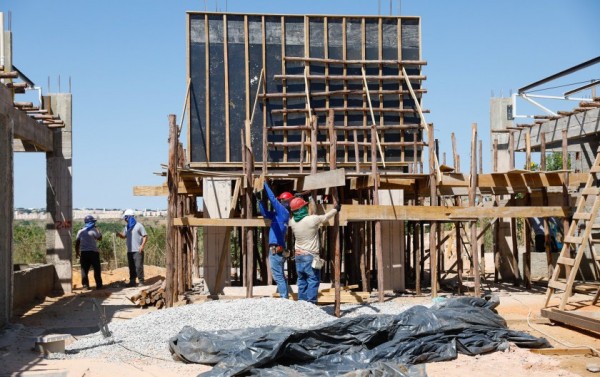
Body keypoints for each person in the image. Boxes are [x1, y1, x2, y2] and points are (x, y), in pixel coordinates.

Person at [288, 196, 340, 304]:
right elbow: (325, 217)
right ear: (302, 209)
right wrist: (336, 209)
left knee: (302, 281)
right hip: (310, 256)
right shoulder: (312, 220)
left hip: (298, 256)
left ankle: (302, 303)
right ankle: (311, 304)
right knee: (313, 280)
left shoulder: (292, 222)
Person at [257, 182, 293, 299]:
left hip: (276, 250)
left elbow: (272, 199)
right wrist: (260, 201)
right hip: (277, 250)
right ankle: (284, 296)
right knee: (280, 275)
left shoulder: (283, 212)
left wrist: (264, 184)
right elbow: (265, 214)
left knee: (278, 276)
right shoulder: (279, 215)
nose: (280, 202)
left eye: (281, 201)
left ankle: (284, 298)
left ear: (285, 202)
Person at [116, 209, 148, 287]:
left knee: (138, 266)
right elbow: (124, 236)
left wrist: (142, 246)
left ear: (129, 217)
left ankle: (141, 281)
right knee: (131, 267)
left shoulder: (139, 225)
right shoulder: (127, 227)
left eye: (126, 218)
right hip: (130, 250)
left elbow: (145, 236)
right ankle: (132, 282)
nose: (125, 220)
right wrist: (119, 234)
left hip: (137, 250)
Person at [75, 215, 103, 290]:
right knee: (97, 269)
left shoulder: (80, 231)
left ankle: (85, 286)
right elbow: (100, 238)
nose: (94, 223)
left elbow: (77, 243)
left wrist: (77, 252)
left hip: (84, 253)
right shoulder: (94, 230)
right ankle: (99, 285)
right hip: (93, 253)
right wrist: (98, 229)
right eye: (93, 222)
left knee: (84, 270)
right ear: (91, 222)